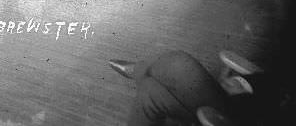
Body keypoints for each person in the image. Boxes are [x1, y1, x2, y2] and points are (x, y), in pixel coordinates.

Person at [108, 50, 285, 126]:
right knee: (149, 91)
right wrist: (245, 83)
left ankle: (139, 69)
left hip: (240, 118)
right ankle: (141, 70)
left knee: (178, 64)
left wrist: (250, 97)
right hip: (248, 100)